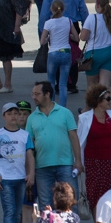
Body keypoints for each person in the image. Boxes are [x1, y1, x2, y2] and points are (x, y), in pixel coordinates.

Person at [78, 84, 111, 213]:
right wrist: (78, 162)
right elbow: (79, 141)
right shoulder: (84, 118)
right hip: (92, 163)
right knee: (94, 195)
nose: (110, 101)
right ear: (98, 100)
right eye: (107, 99)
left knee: (109, 195)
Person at [27, 81, 81, 209]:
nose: (34, 97)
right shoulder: (32, 117)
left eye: (37, 94)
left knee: (71, 202)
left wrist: (78, 161)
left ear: (47, 94)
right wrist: (30, 169)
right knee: (45, 206)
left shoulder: (65, 113)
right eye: (33, 94)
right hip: (42, 167)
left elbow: (73, 137)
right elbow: (29, 145)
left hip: (65, 164)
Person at [39, 0, 77, 107]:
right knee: (63, 84)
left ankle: (51, 106)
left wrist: (49, 38)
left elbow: (42, 41)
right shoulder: (68, 21)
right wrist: (68, 35)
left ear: (52, 9)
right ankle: (63, 108)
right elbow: (77, 38)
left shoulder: (49, 23)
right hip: (66, 52)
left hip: (53, 53)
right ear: (63, 9)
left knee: (50, 82)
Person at [80, 0, 111, 90]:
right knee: (106, 86)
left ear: (97, 5)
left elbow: (83, 37)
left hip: (94, 54)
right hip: (110, 52)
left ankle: (92, 105)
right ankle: (107, 104)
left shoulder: (92, 18)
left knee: (92, 85)